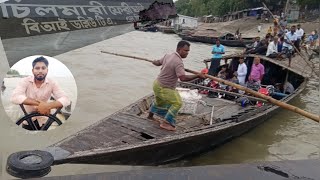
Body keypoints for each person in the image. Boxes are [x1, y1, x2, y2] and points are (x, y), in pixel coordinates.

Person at [147, 41, 205, 131]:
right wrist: (198, 75)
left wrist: (154, 62)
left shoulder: (168, 55)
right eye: (185, 50)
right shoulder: (178, 62)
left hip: (157, 84)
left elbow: (158, 62)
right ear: (179, 49)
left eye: (188, 51)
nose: (187, 53)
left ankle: (150, 116)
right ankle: (166, 123)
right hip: (164, 87)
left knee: (159, 101)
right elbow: (183, 78)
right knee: (178, 103)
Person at [10, 56, 70, 130]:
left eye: (43, 68)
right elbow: (15, 97)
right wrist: (41, 105)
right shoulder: (25, 81)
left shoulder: (52, 83)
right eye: (37, 68)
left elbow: (66, 99)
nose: (40, 71)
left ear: (47, 70)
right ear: (33, 70)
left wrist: (48, 106)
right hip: (28, 121)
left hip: (44, 120)